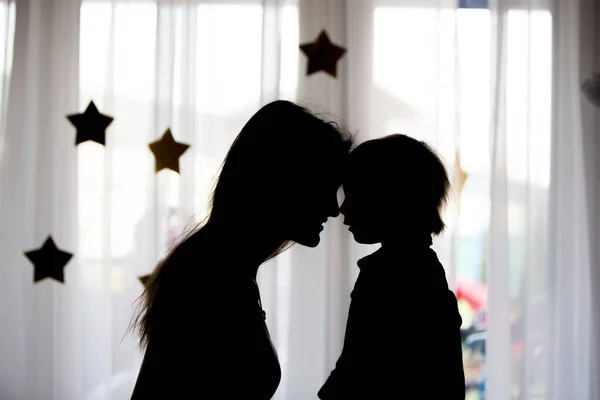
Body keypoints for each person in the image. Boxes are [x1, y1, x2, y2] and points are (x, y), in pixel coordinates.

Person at [130, 100, 353, 399]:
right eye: (325, 187)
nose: (334, 208)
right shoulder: (209, 277)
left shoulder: (220, 267)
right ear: (284, 183)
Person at [319, 134, 465, 399]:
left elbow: (356, 369)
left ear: (390, 199)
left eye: (354, 195)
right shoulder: (423, 274)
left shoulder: (388, 278)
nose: (342, 208)